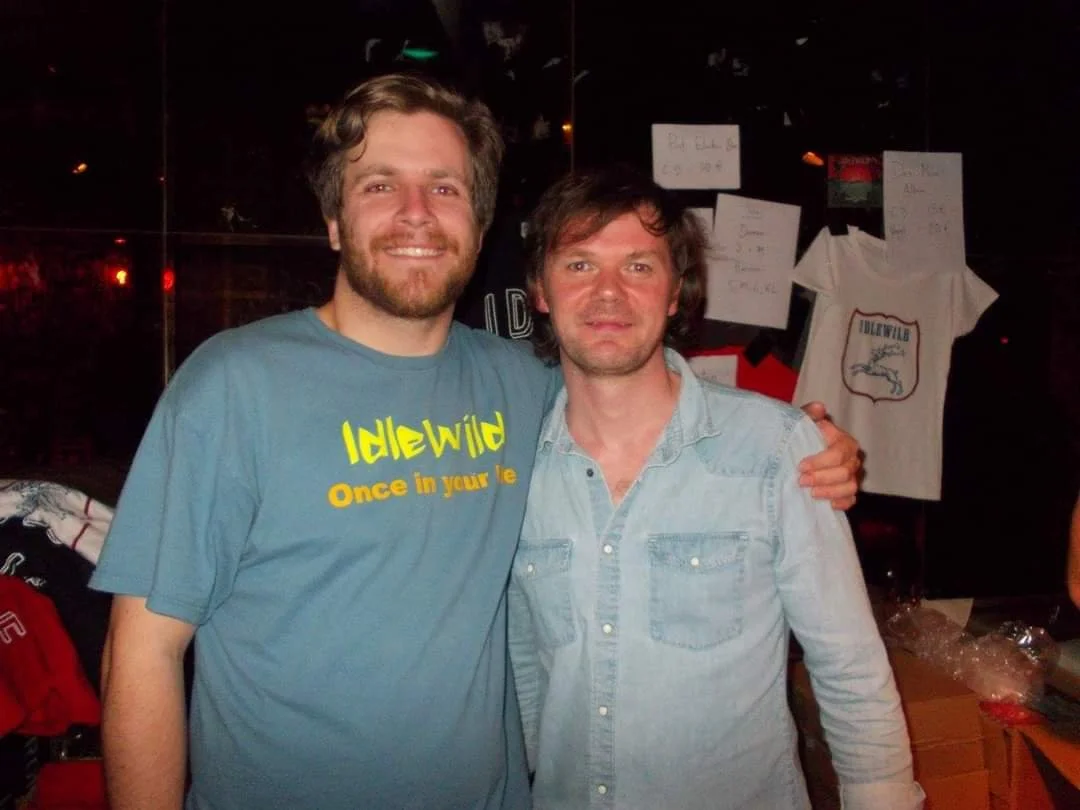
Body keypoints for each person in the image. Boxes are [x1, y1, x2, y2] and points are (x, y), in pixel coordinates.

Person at [90, 74, 861, 810]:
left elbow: (641, 402)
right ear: (334, 221)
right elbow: (143, 652)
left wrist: (803, 443)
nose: (416, 213)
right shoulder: (234, 387)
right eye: (380, 185)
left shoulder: (522, 384)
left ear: (479, 225)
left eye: (445, 187)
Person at [508, 167, 924, 810]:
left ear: (676, 292)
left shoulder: (775, 449)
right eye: (580, 265)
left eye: (639, 267)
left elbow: (850, 668)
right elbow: (524, 671)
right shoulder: (515, 465)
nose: (609, 292)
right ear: (540, 290)